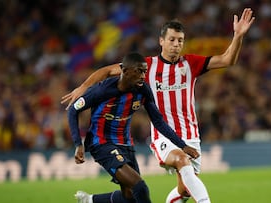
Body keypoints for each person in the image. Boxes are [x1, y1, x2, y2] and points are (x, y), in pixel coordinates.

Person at [63, 8, 255, 203]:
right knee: (180, 161)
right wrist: (83, 87)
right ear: (161, 41)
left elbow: (227, 59)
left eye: (180, 40)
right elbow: (106, 71)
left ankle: (90, 201)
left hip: (190, 135)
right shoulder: (145, 67)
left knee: (184, 191)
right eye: (171, 39)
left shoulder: (191, 63)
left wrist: (238, 35)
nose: (176, 44)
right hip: (163, 136)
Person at [67, 52, 200, 203]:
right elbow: (73, 110)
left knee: (129, 196)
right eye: (139, 71)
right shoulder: (102, 90)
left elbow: (158, 121)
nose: (143, 76)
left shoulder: (143, 90)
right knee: (140, 187)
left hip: (126, 144)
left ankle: (90, 200)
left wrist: (182, 146)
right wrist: (78, 143)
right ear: (124, 71)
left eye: (144, 71)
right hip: (102, 143)